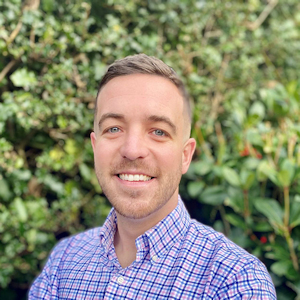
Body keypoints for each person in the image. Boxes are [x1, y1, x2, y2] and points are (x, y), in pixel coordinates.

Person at [29, 54, 276, 299]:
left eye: (158, 131)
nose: (132, 150)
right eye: (114, 128)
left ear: (185, 156)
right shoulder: (63, 263)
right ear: (95, 148)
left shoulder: (236, 282)